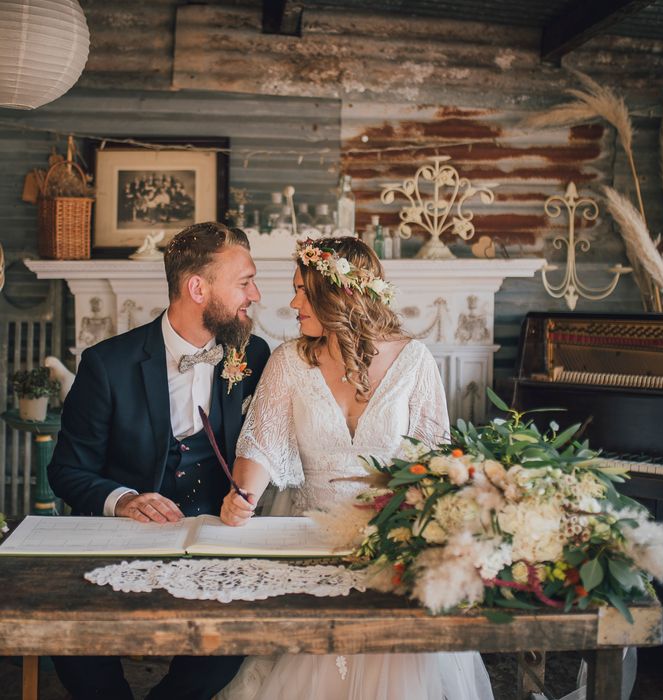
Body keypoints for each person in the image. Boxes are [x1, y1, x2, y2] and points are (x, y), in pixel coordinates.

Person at [217, 237, 494, 700]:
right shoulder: (289, 361)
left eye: (304, 291)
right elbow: (261, 447)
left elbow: (438, 465)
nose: (292, 302)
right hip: (309, 537)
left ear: (340, 293)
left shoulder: (415, 362)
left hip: (392, 544)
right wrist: (241, 497)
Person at [47, 221, 270, 700]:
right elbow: (65, 471)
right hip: (119, 542)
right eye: (244, 281)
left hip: (212, 537)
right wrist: (123, 499)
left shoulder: (253, 354)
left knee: (230, 641)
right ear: (197, 288)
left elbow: (265, 447)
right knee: (70, 640)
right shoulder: (107, 364)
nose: (254, 294)